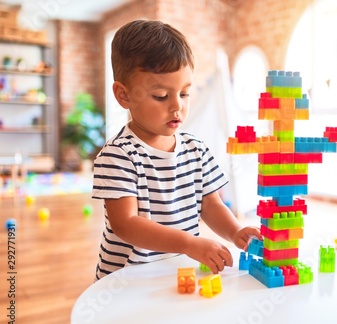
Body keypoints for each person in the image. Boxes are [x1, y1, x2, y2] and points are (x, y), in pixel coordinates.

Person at [92, 19, 261, 281]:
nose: (177, 107)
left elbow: (211, 204)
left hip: (177, 272)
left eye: (184, 94)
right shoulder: (119, 155)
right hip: (126, 282)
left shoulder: (196, 149)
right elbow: (126, 224)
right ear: (124, 95)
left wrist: (235, 231)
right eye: (161, 96)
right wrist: (189, 243)